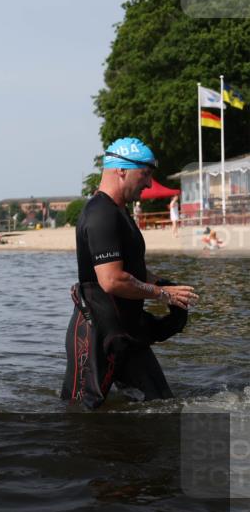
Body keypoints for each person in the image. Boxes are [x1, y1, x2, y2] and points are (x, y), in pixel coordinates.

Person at [62, 138, 198, 409]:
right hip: (96, 337)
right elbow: (112, 280)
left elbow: (131, 268)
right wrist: (161, 294)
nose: (148, 184)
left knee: (163, 406)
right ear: (121, 170)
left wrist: (164, 285)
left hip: (127, 332)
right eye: (145, 175)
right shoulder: (101, 214)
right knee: (80, 418)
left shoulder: (119, 212)